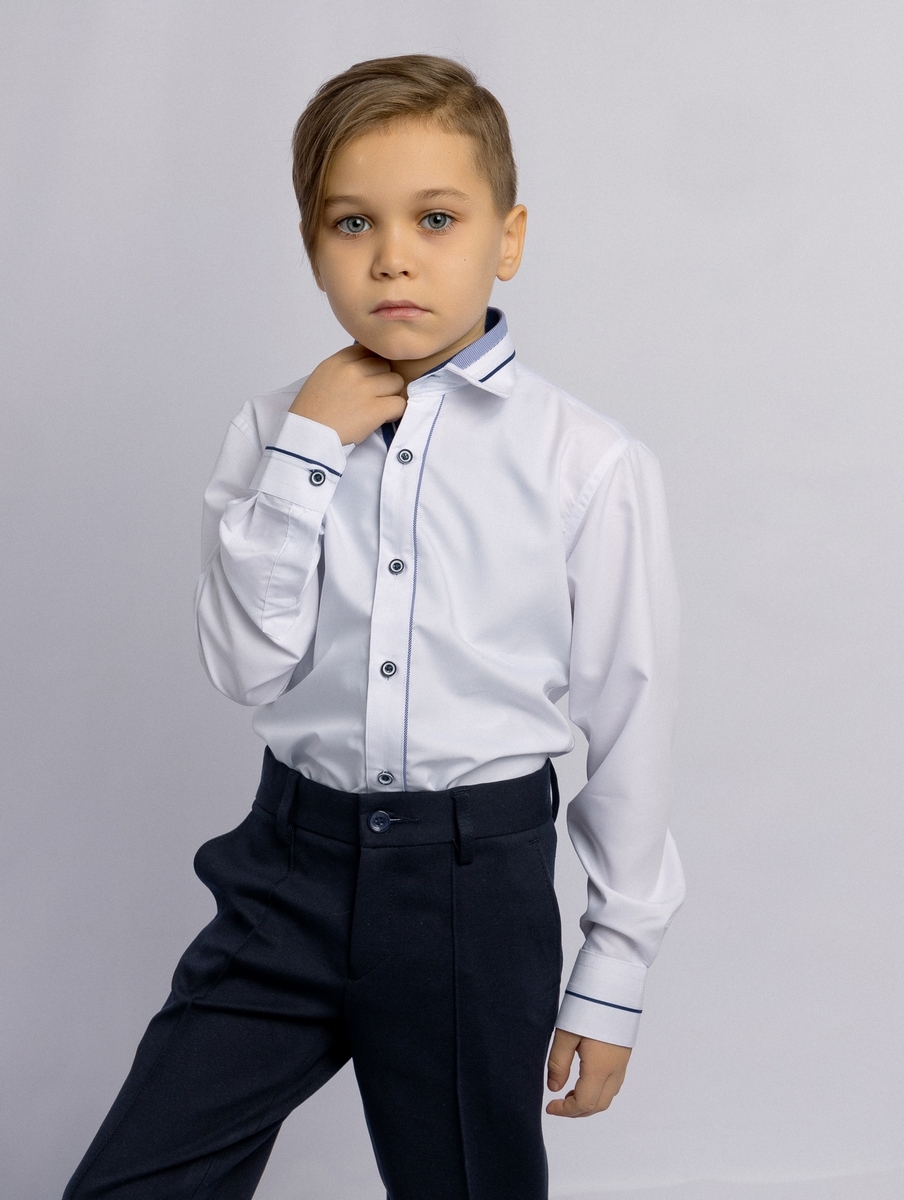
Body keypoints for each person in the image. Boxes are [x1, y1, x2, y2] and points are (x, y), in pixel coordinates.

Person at [62, 53, 685, 1200]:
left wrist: (613, 973)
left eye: (435, 218)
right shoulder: (272, 431)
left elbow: (627, 721)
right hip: (286, 875)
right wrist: (307, 451)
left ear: (507, 238)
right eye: (353, 222)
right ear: (313, 247)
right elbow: (246, 668)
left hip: (472, 892)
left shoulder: (586, 462)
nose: (393, 255)